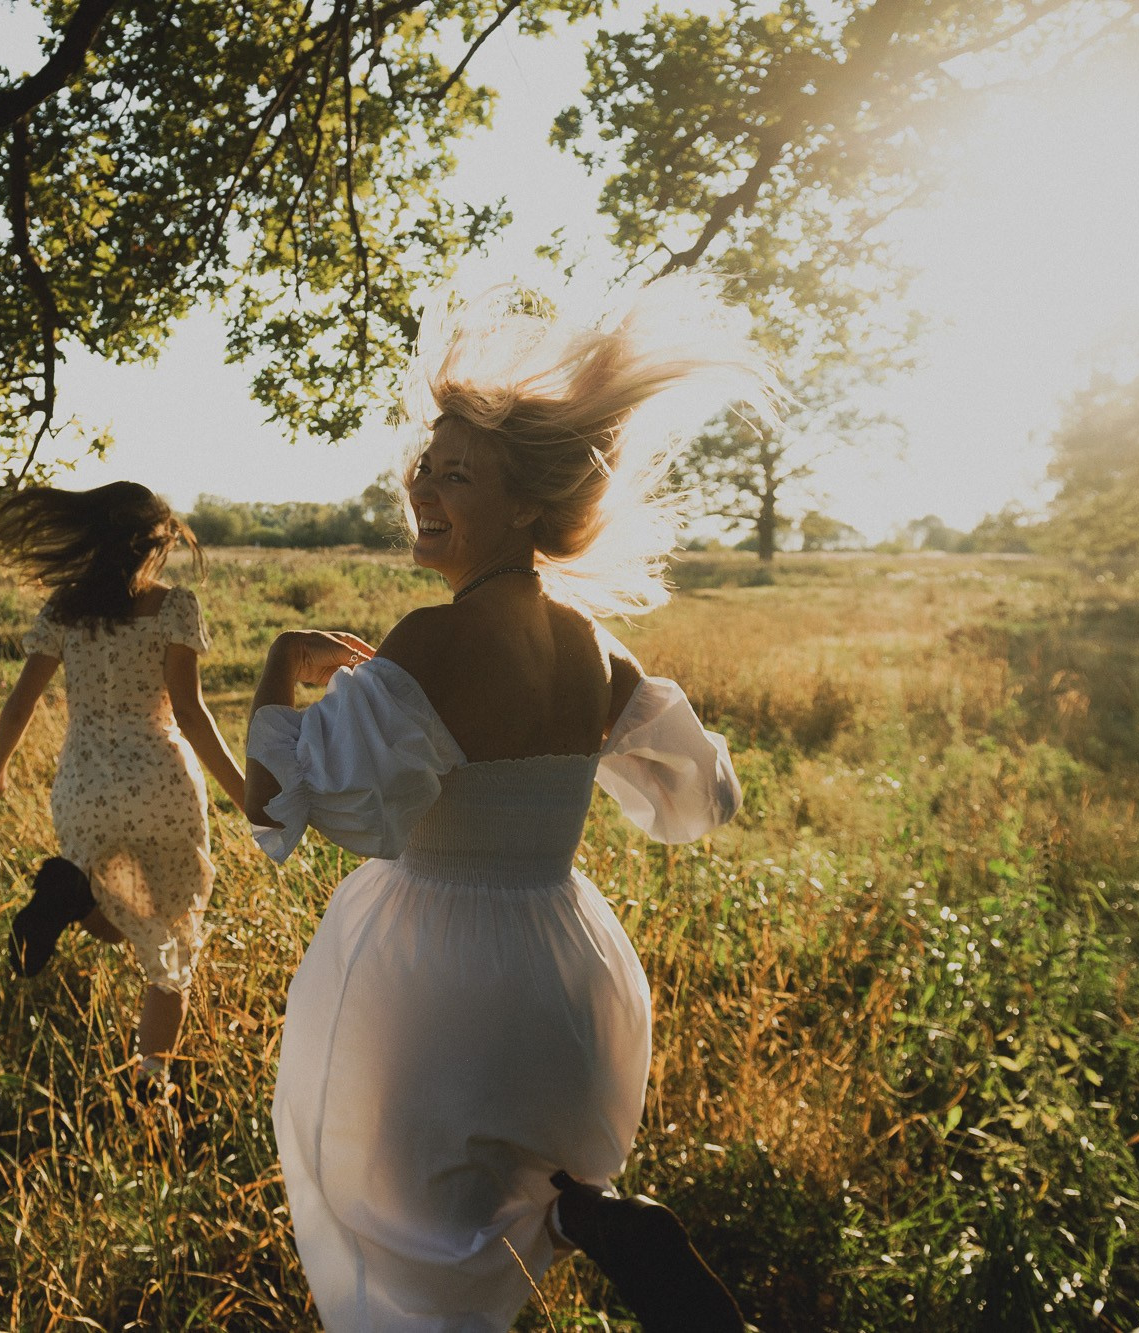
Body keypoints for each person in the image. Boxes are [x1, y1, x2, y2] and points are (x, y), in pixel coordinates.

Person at [245, 285, 762, 1331]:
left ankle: (562, 1237)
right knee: (518, 1213)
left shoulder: (432, 640)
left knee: (410, 1254)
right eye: (420, 469)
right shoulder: (591, 646)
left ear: (525, 502)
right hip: (561, 964)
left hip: (429, 975)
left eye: (455, 474)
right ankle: (591, 1222)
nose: (422, 490)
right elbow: (704, 791)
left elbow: (283, 813)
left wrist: (273, 671)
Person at [0, 481, 246, 1101]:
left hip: (86, 783)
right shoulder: (175, 607)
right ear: (155, 543)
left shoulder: (64, 610)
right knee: (170, 949)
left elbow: (20, 704)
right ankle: (153, 1081)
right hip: (160, 780)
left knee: (119, 920)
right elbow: (192, 714)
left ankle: (71, 894)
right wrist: (245, 793)